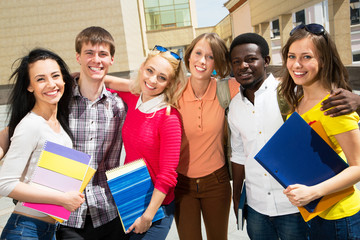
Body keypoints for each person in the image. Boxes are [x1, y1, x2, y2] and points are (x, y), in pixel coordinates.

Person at [279, 23, 360, 239]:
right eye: (291, 56)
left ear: (322, 61)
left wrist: (312, 192)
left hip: (340, 216)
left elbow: (358, 167)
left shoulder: (334, 105)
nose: (296, 64)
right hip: (314, 212)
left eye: (306, 57)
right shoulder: (298, 103)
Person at [228, 33, 309, 240]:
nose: (243, 66)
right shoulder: (235, 106)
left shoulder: (292, 92)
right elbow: (238, 155)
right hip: (256, 208)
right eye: (236, 62)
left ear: (266, 61)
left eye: (250, 59)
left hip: (293, 205)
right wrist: (236, 195)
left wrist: (355, 99)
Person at [0, 48, 85, 240]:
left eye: (55, 76)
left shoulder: (59, 126)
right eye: (40, 79)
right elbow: (4, 184)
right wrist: (62, 199)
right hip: (25, 231)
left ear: (64, 79)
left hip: (48, 231)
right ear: (29, 86)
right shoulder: (31, 125)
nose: (51, 84)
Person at [53, 26, 128, 240]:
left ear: (112, 59)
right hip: (67, 216)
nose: (96, 60)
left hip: (108, 213)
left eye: (103, 54)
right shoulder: (59, 102)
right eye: (89, 53)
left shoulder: (119, 107)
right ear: (78, 56)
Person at [109, 45, 187, 240]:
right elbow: (105, 80)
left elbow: (168, 175)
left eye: (162, 77)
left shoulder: (169, 117)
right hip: (129, 198)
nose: (152, 80)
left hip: (155, 210)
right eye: (149, 71)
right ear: (142, 67)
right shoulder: (133, 98)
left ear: (169, 84)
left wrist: (148, 216)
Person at [174, 33, 239, 240]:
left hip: (216, 182)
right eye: (198, 53)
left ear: (217, 62)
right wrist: (94, 77)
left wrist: (337, 91)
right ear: (189, 56)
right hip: (181, 184)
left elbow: (272, 87)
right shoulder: (174, 89)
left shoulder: (227, 88)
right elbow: (138, 86)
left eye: (210, 57)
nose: (202, 61)